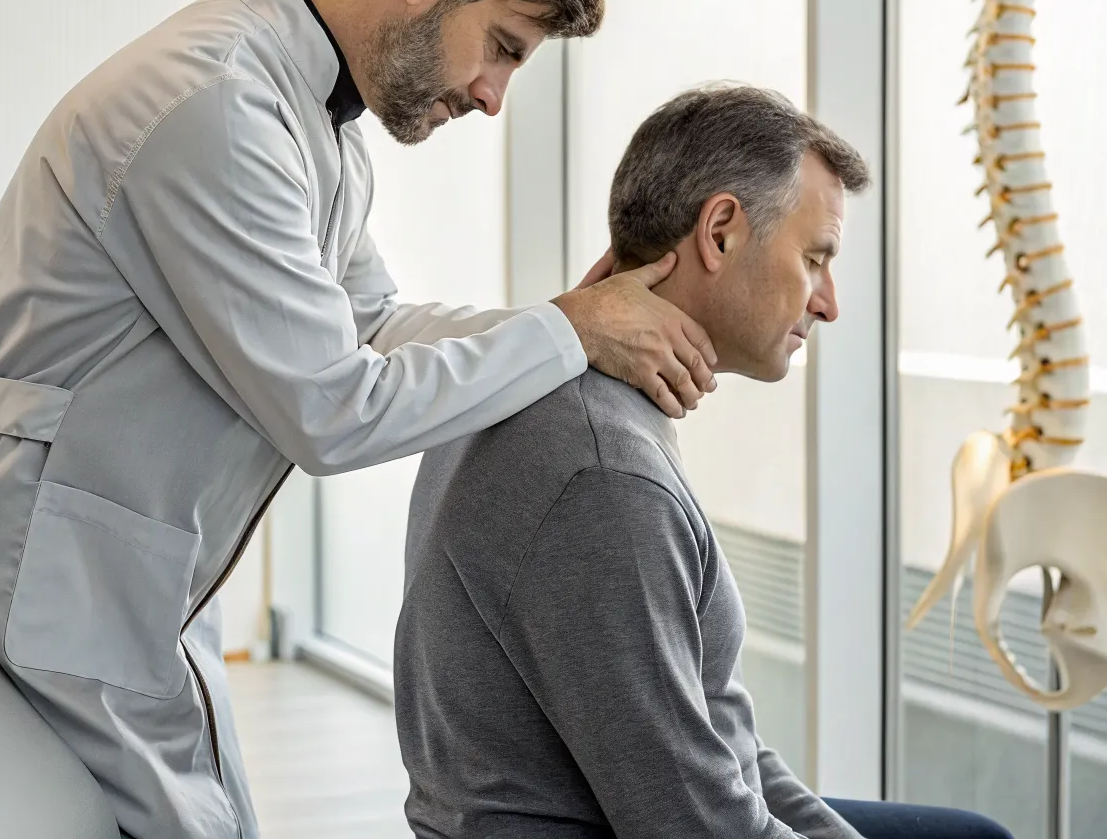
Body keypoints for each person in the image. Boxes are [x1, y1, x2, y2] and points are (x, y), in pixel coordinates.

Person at [0, 0, 719, 839]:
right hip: (26, 575)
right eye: (501, 47)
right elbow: (332, 407)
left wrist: (567, 325)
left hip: (106, 571)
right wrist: (565, 332)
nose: (492, 95)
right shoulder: (214, 105)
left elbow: (367, 327)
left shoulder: (310, 124)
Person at [396, 85, 1016, 839]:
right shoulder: (602, 477)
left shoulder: (527, 380)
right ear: (720, 232)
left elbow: (722, 739)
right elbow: (693, 822)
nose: (829, 303)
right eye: (815, 259)